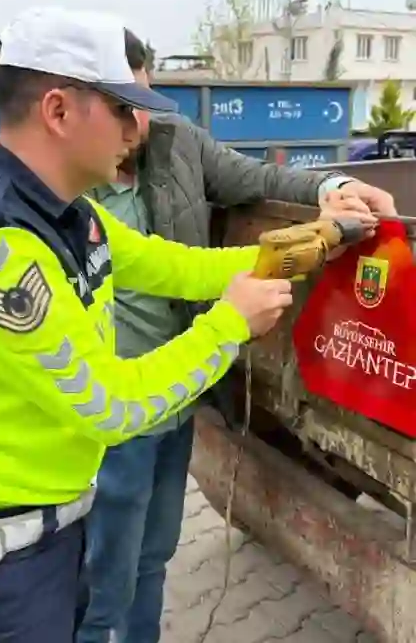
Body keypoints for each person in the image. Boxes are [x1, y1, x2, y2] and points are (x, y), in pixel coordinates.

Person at [0, 6, 305, 642]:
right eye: (122, 107)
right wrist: (228, 327)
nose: (139, 126)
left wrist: (309, 244)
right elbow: (110, 404)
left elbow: (175, 266)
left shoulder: (69, 215)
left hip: (48, 540)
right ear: (59, 111)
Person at [75, 31, 395, 643]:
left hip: (181, 386)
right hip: (113, 407)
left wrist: (331, 194)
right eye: (120, 105)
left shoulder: (176, 143)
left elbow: (251, 182)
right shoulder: (65, 199)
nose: (136, 123)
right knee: (104, 567)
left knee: (154, 552)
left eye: (143, 101)